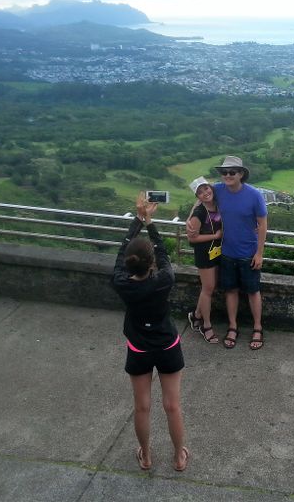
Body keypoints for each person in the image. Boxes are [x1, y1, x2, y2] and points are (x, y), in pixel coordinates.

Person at [110, 191, 190, 472]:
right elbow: (165, 254)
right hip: (167, 344)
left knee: (142, 407)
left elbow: (121, 256)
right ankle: (179, 456)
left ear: (130, 263)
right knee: (172, 406)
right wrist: (150, 223)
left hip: (139, 348)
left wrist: (137, 220)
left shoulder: (122, 283)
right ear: (151, 262)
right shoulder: (164, 279)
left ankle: (145, 456)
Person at [212, 155, 268, 350]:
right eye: (224, 172)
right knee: (231, 291)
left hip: (248, 252)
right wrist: (190, 219)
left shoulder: (254, 195)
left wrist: (259, 253)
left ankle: (258, 327)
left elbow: (262, 225)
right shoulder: (217, 190)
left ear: (241, 174)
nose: (227, 175)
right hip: (227, 252)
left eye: (232, 172)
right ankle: (233, 326)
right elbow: (200, 196)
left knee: (253, 291)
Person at [185, 176, 223, 344]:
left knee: (211, 287)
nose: (205, 193)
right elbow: (192, 238)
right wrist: (214, 235)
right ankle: (205, 325)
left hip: (218, 251)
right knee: (208, 289)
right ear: (197, 197)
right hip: (204, 254)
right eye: (200, 192)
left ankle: (196, 315)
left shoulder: (218, 203)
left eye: (206, 188)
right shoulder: (199, 213)